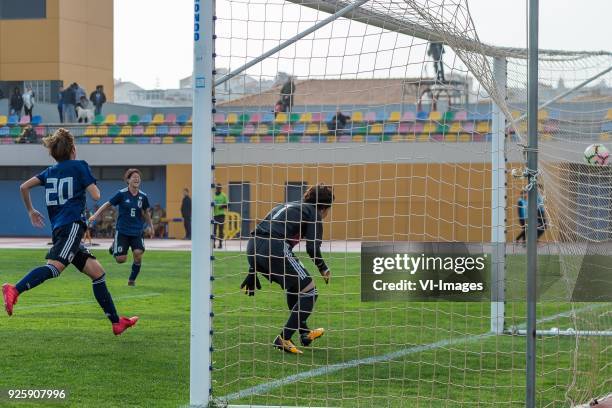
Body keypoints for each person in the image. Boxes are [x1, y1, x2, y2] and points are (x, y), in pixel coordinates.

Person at [1, 128, 138, 335]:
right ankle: (15, 289)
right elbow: (96, 195)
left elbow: (23, 187)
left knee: (98, 273)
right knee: (55, 268)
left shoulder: (49, 172)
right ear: (73, 149)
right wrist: (86, 182)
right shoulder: (80, 166)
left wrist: (30, 211)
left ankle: (117, 322)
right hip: (72, 227)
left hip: (61, 229)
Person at [242, 184, 333, 354]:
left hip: (252, 246)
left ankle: (305, 333)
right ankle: (284, 337)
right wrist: (323, 268)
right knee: (310, 291)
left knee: (295, 286)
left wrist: (252, 269)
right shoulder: (314, 213)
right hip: (274, 247)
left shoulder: (287, 205)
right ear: (325, 207)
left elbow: (264, 231)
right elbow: (312, 248)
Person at [89, 169, 154, 287]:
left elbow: (146, 212)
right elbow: (107, 204)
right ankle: (115, 246)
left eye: (138, 177)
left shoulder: (143, 197)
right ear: (128, 180)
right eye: (134, 177)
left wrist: (151, 226)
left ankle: (132, 280)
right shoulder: (121, 194)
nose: (136, 179)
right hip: (123, 231)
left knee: (138, 253)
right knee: (120, 260)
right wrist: (95, 214)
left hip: (137, 231)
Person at [213, 184, 229, 249]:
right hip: (214, 215)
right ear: (216, 188)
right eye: (217, 188)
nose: (218, 189)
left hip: (221, 215)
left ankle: (220, 244)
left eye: (220, 188)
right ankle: (213, 244)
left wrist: (221, 206)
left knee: (220, 230)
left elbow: (228, 205)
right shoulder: (213, 196)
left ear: (221, 188)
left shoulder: (224, 196)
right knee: (213, 230)